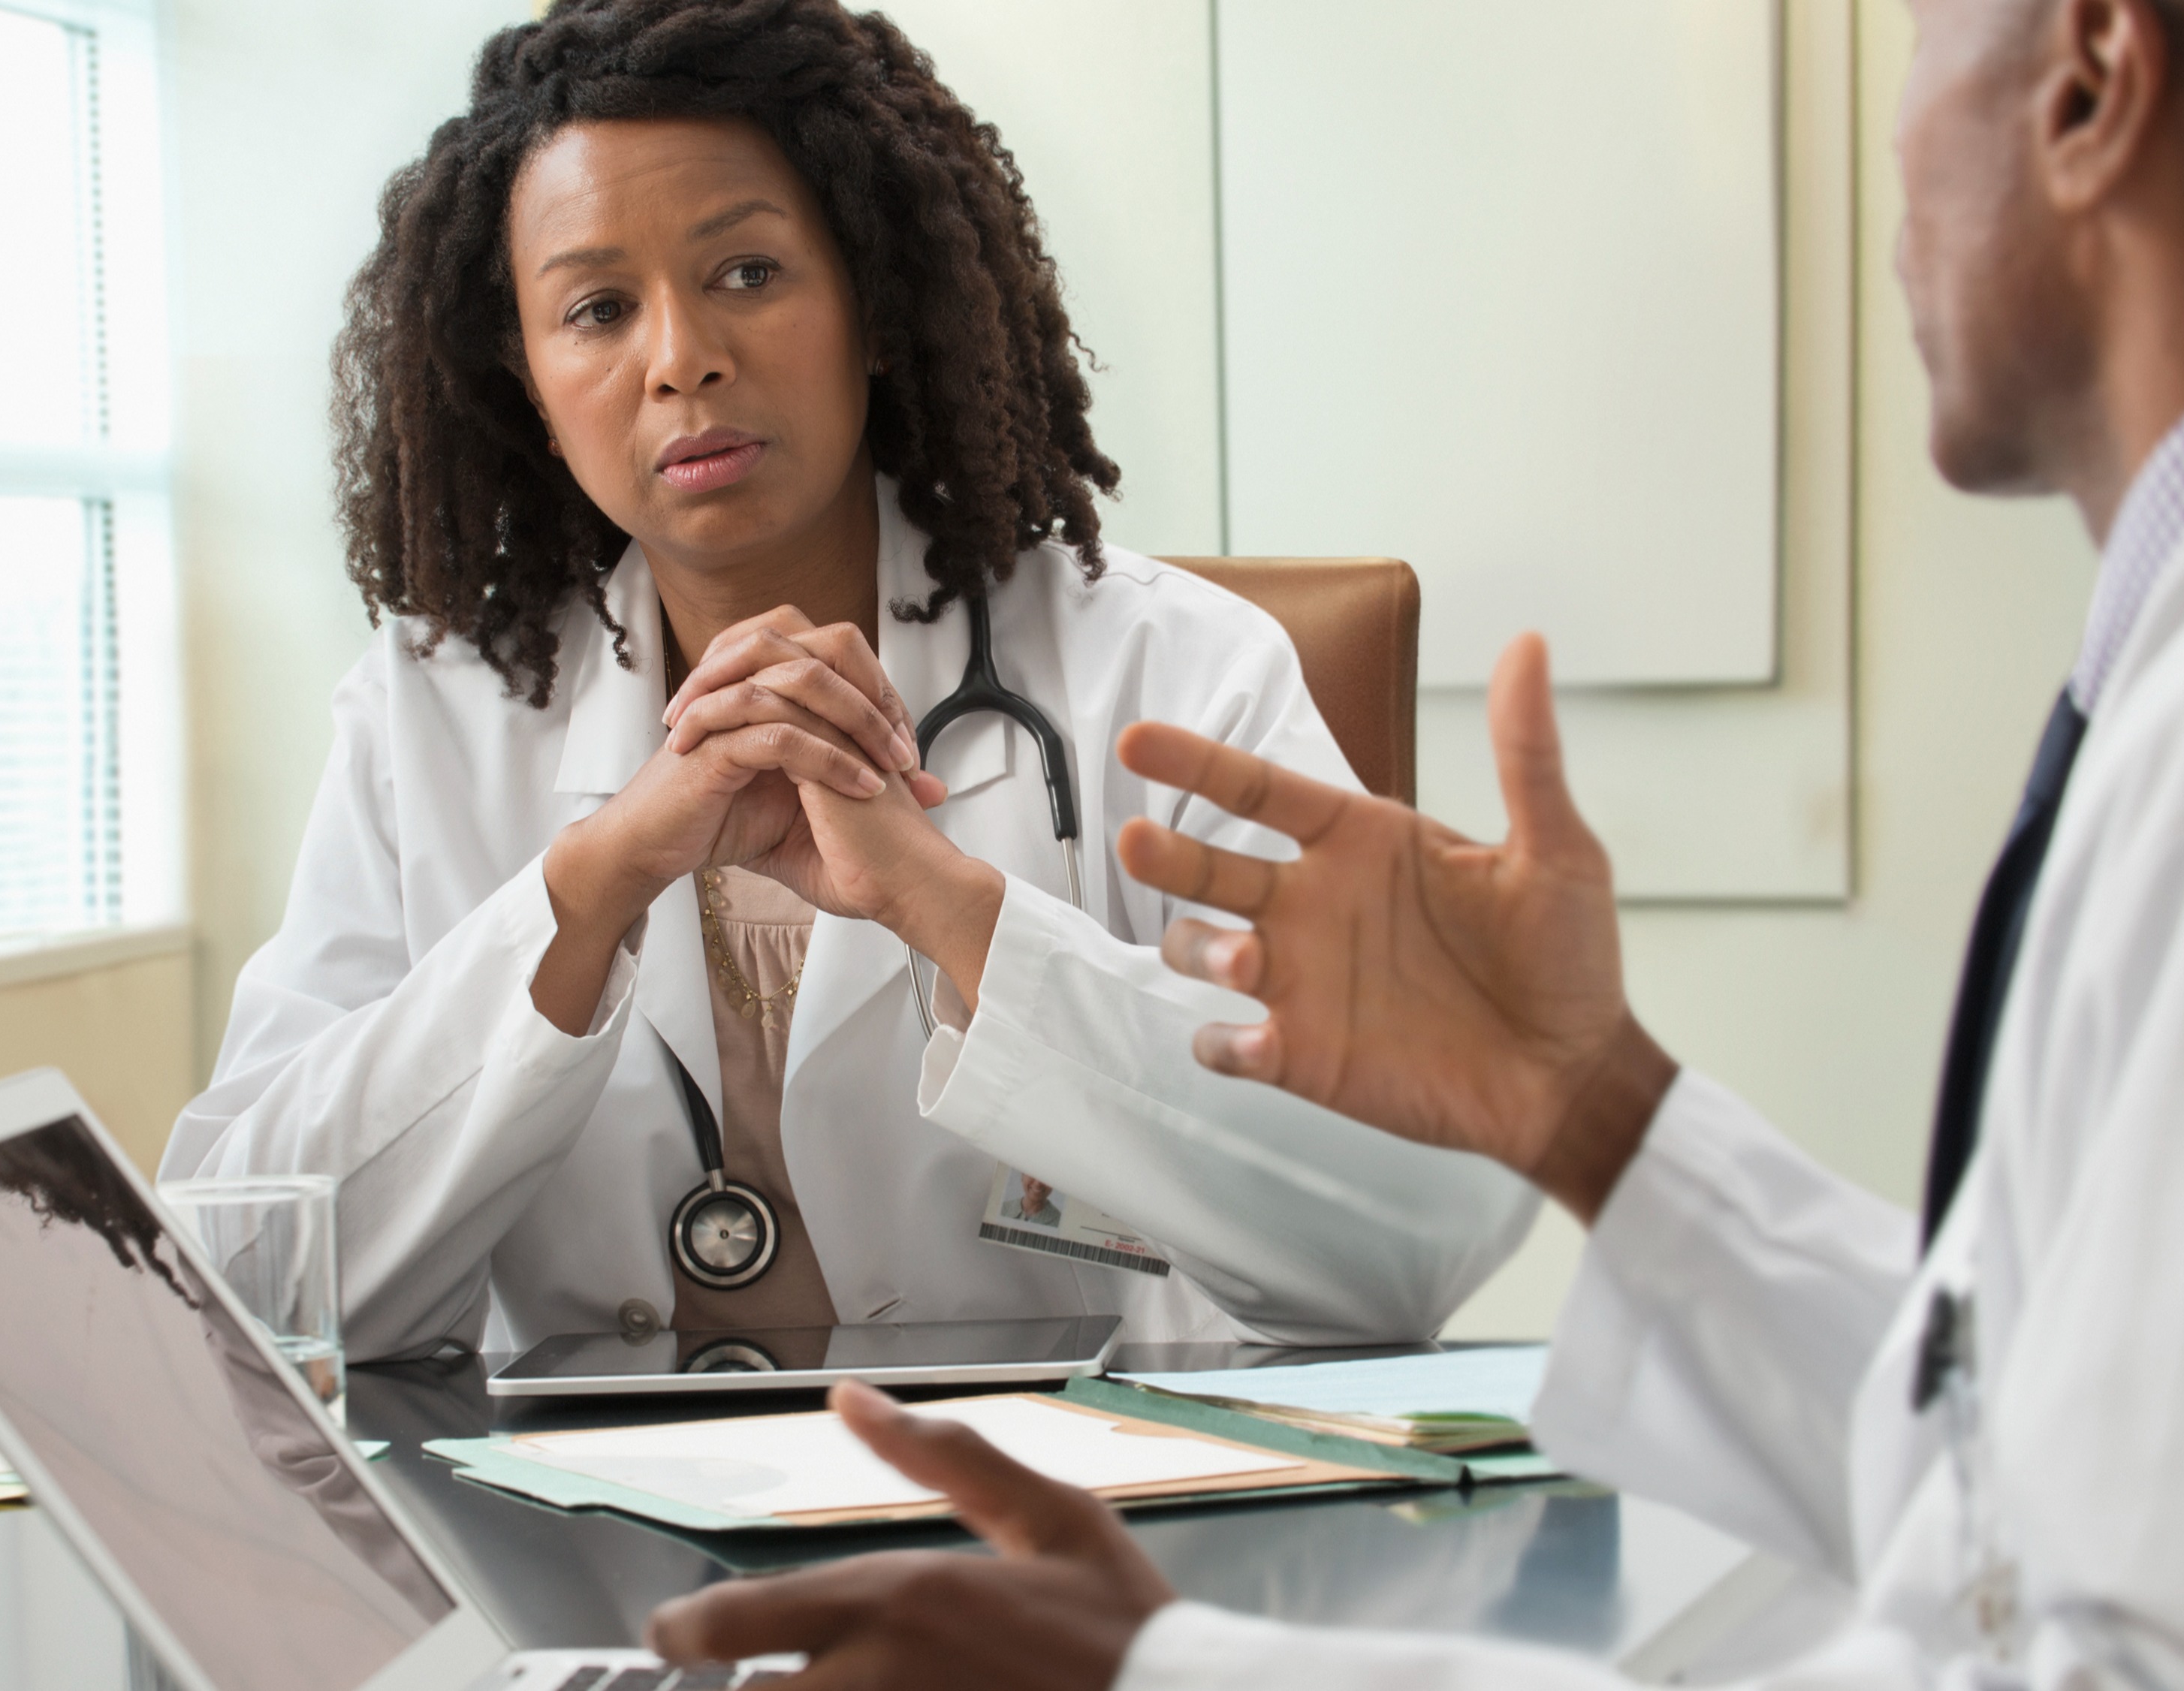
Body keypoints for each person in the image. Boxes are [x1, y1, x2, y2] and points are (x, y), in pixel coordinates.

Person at [644, 0, 2184, 1683]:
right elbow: (2024, 1456)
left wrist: (1172, 1674)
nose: (1896, 148)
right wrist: (1594, 1111)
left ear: (2089, 83)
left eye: (1927, 37)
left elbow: (2153, 1662)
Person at [165, 0, 1531, 1364]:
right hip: (583, 1549)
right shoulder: (436, 712)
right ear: (526, 379)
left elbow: (1410, 1237)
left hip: (1047, 1528)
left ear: (876, 302)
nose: (680, 357)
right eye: (596, 308)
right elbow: (248, 1276)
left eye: (748, 273)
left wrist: (957, 915)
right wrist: (582, 898)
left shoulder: (1167, 670)